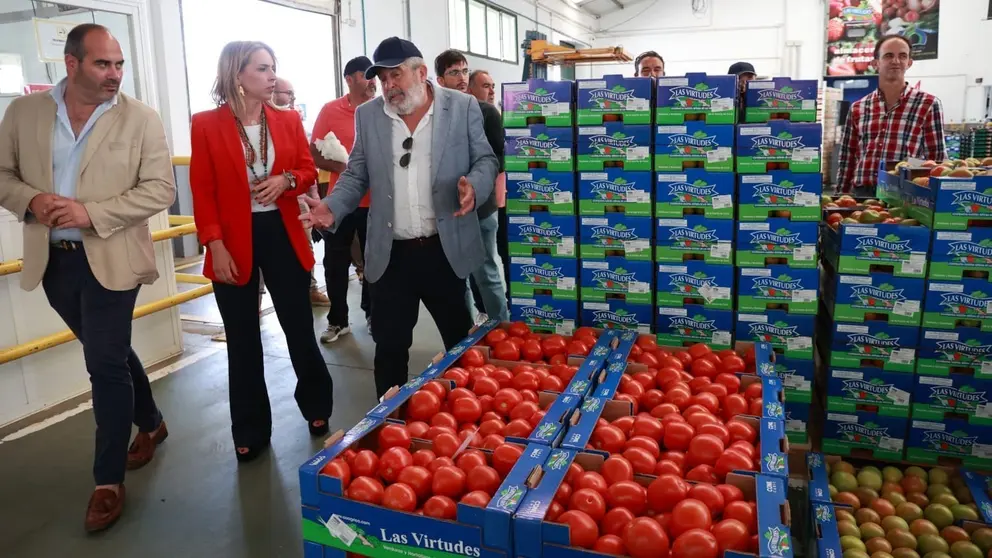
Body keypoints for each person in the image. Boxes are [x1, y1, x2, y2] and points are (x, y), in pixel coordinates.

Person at [0, 23, 174, 532]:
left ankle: (107, 480)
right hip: (54, 264)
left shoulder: (140, 118)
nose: (114, 75)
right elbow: (3, 175)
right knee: (113, 353)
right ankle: (155, 424)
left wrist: (89, 212)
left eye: (119, 64)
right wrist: (30, 200)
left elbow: (160, 189)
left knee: (102, 362)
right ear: (71, 64)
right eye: (103, 64)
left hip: (113, 257)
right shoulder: (24, 113)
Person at [303, 37, 498, 398]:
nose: (389, 86)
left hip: (445, 250)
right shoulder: (370, 115)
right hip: (391, 254)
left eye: (396, 76)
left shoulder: (463, 107)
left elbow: (486, 160)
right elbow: (357, 172)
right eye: (382, 79)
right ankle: (389, 424)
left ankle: (470, 418)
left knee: (461, 345)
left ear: (421, 73)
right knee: (390, 350)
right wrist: (332, 206)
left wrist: (475, 185)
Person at [188, 41, 334, 463]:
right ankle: (250, 427)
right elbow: (203, 189)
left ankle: (317, 406)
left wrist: (286, 180)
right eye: (263, 69)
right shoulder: (206, 124)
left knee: (298, 325)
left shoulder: (288, 120)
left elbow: (308, 169)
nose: (273, 77)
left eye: (274, 69)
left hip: (281, 231)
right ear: (237, 75)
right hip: (231, 237)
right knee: (243, 339)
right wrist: (214, 244)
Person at [434, 49, 509, 324]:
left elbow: (500, 158)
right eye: (454, 72)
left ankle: (501, 326)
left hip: (482, 208)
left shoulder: (487, 112)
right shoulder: (435, 117)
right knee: (456, 275)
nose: (462, 78)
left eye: (464, 71)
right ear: (440, 79)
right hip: (447, 208)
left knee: (486, 270)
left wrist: (474, 181)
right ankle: (467, 331)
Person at [310, 56, 377, 342]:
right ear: (350, 79)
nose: (373, 81)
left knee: (376, 263)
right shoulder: (330, 110)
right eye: (367, 76)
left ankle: (374, 314)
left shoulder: (383, 110)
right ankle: (338, 320)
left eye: (375, 76)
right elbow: (314, 152)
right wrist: (348, 171)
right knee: (334, 262)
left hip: (377, 203)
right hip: (341, 203)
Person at [837, 35, 947, 195]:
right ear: (876, 63)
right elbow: (847, 156)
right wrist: (841, 195)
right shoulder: (858, 108)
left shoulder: (928, 104)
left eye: (902, 56)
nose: (896, 61)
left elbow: (936, 159)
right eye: (889, 55)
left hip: (905, 193)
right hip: (862, 193)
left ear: (909, 63)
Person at [272, 77, 330, 307]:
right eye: (289, 94)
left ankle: (310, 288)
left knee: (304, 245)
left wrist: (311, 193)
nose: (292, 99)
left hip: (297, 197)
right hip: (260, 205)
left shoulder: (292, 122)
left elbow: (307, 166)